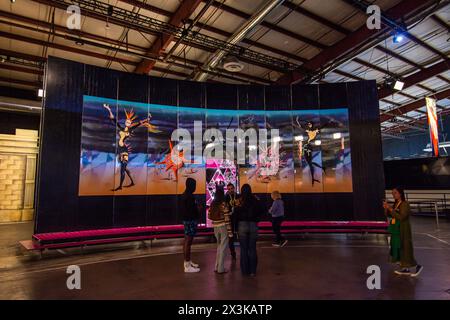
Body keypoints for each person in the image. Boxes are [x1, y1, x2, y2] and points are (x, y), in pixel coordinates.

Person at [383, 187, 423, 277]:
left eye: (395, 193)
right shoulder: (396, 204)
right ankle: (405, 269)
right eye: (392, 193)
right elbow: (391, 215)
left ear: (400, 193)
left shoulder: (405, 204)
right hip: (397, 230)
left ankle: (417, 266)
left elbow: (401, 217)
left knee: (405, 248)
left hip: (403, 230)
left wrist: (390, 209)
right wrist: (386, 208)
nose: (393, 194)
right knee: (399, 248)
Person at [234, 184, 263, 277]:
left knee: (244, 249)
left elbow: (235, 214)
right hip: (253, 225)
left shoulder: (239, 201)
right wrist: (257, 219)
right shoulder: (255, 200)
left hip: (242, 225)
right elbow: (262, 210)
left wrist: (235, 228)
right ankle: (253, 271)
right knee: (252, 248)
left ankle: (245, 271)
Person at [208, 186, 231, 274]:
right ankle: (221, 268)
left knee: (219, 246)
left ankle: (216, 266)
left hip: (215, 226)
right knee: (223, 247)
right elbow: (227, 218)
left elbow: (209, 216)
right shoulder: (223, 204)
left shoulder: (212, 203)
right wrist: (230, 232)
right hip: (223, 226)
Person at [180, 178, 201, 273]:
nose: (195, 187)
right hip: (190, 221)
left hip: (186, 221)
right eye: (194, 185)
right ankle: (187, 266)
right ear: (191, 185)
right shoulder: (190, 197)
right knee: (188, 242)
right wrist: (198, 209)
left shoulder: (184, 195)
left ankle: (187, 262)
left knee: (186, 241)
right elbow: (192, 210)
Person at [225, 183, 238, 259]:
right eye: (228, 189)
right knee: (231, 237)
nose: (230, 190)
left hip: (237, 218)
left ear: (234, 188)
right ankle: (233, 253)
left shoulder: (238, 196)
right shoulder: (226, 197)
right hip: (230, 219)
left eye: (231, 188)